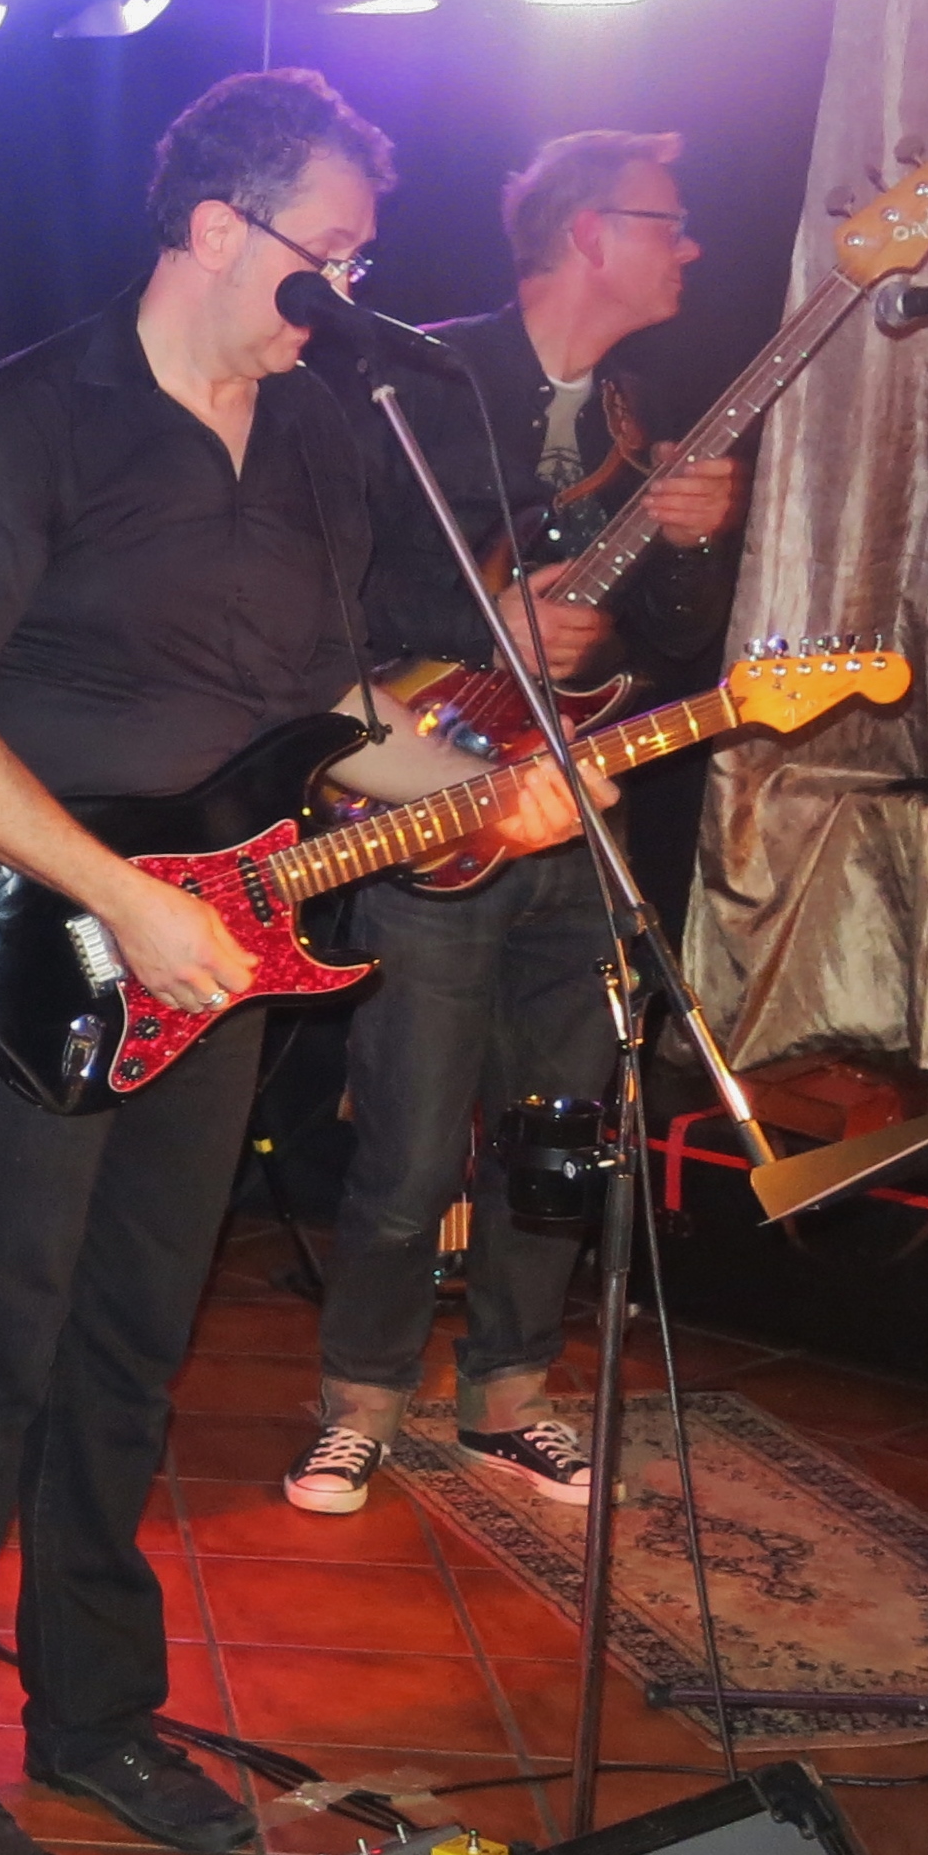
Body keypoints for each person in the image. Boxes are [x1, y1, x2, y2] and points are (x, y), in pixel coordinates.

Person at [0, 71, 596, 1855]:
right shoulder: (36, 417)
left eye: (358, 256)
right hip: (40, 940)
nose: (342, 286)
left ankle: (94, 1714)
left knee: (128, 1343)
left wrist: (483, 788)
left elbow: (323, 713)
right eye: (321, 249)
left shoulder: (324, 433)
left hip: (227, 945)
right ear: (210, 224)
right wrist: (119, 895)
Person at [284, 130, 749, 1518]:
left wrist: (695, 543)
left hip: (583, 811)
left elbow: (673, 640)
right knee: (412, 1144)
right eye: (668, 220)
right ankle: (358, 1404)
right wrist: (484, 619)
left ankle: (508, 1398)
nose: (692, 245)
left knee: (560, 1133)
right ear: (588, 233)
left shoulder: (635, 415)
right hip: (428, 796)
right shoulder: (414, 382)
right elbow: (323, 592)